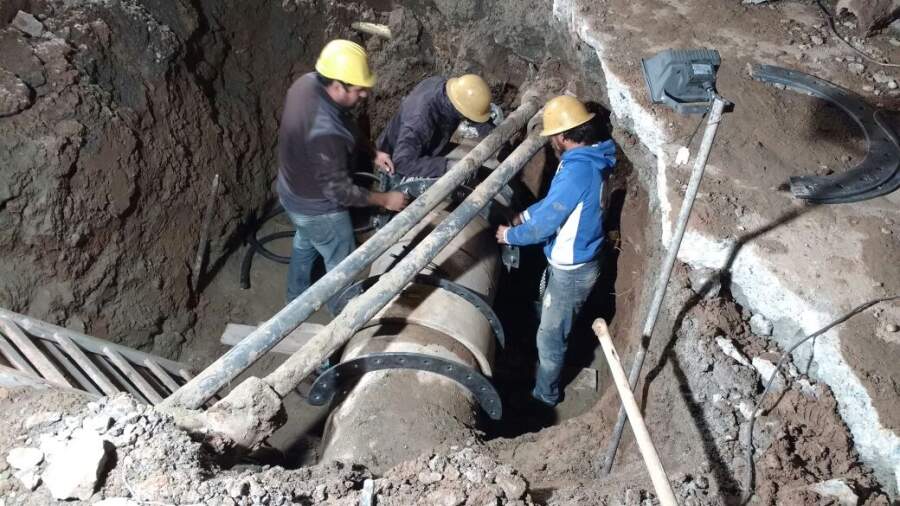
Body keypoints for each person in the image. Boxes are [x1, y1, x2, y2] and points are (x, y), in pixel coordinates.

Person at [496, 95, 616, 407]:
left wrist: (510, 233)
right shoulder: (588, 160)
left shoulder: (578, 171)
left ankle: (544, 396)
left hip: (572, 271)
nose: (551, 141)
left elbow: (544, 227)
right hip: (573, 261)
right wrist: (524, 214)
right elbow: (554, 204)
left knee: (550, 337)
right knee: (546, 312)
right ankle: (535, 339)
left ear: (563, 136)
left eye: (552, 136)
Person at [277, 39, 409, 305]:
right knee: (341, 266)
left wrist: (373, 153)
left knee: (306, 243)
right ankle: (344, 319)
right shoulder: (325, 132)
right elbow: (339, 191)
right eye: (359, 90)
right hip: (319, 208)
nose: (364, 95)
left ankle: (295, 296)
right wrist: (386, 199)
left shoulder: (308, 83)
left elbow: (344, 123)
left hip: (292, 193)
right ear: (338, 86)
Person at [376, 74, 492, 181]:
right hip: (397, 165)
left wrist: (492, 133)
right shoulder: (420, 119)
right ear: (460, 109)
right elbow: (402, 162)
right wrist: (446, 166)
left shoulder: (449, 91)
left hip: (428, 146)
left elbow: (473, 116)